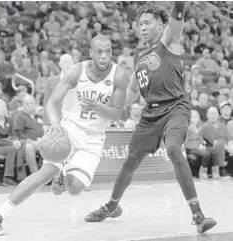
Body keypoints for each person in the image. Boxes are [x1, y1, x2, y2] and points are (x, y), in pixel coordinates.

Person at [85, 2, 216, 234]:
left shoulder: (169, 42)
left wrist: (179, 4)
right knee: (130, 162)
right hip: (150, 114)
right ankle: (111, 206)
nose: (142, 27)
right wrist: (110, 105)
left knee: (174, 149)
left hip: (175, 107)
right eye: (140, 23)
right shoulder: (138, 54)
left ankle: (198, 214)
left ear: (161, 25)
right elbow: (134, 91)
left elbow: (176, 26)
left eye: (148, 23)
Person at [0, 34, 129, 236]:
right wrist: (54, 124)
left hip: (94, 138)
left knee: (75, 188)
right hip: (68, 129)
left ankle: (62, 179)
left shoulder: (120, 75)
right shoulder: (77, 71)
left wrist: (99, 108)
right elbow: (51, 102)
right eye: (99, 51)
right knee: (45, 173)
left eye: (108, 51)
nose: (104, 56)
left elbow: (117, 113)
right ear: (91, 52)